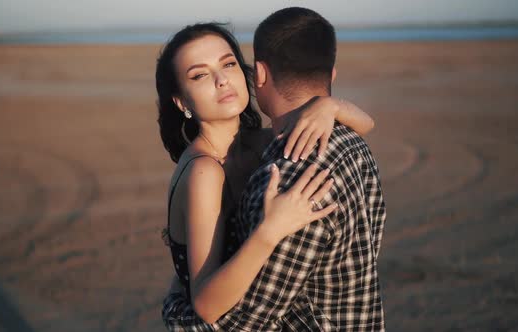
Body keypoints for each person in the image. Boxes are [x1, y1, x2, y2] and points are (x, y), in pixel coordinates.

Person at [157, 18, 380, 331]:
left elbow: (366, 125)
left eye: (228, 64)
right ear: (182, 103)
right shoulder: (204, 170)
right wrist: (270, 230)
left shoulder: (258, 142)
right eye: (199, 75)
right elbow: (206, 305)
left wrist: (330, 106)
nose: (221, 80)